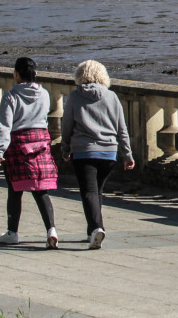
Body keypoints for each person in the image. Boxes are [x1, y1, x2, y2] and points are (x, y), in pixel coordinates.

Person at [60, 60, 133, 249]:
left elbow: (66, 125)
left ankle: (96, 228)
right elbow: (122, 129)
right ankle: (92, 230)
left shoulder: (75, 96)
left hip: (83, 151)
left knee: (89, 192)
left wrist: (65, 148)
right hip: (109, 152)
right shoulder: (112, 96)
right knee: (96, 191)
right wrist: (127, 154)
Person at [0, 57, 58, 249]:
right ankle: (51, 230)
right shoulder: (45, 94)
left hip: (18, 145)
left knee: (15, 190)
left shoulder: (10, 96)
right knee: (40, 190)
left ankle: (12, 232)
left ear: (16, 74)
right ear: (35, 74)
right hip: (40, 143)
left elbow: (4, 126)